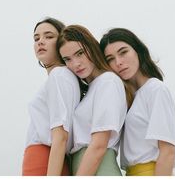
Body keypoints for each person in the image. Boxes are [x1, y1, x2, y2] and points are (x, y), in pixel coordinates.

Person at [100, 28, 175, 176]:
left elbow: (168, 152)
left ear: (138, 51)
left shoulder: (155, 89)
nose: (118, 62)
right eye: (110, 59)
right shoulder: (129, 98)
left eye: (123, 52)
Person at [56, 25, 127, 176]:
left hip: (99, 168)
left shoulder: (108, 81)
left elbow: (99, 145)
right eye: (67, 59)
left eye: (80, 53)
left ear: (92, 47)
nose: (76, 64)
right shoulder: (92, 89)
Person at [22, 17, 81, 176]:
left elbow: (61, 135)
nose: (41, 41)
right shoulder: (64, 77)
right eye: (36, 38)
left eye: (49, 37)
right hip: (49, 159)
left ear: (62, 42)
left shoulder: (59, 75)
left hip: (43, 160)